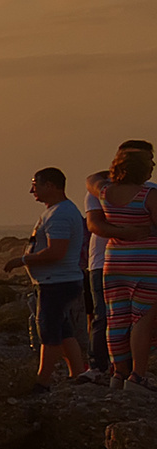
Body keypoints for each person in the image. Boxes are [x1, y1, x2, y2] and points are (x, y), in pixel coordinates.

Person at [86, 143, 157, 392]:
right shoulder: (149, 195)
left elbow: (91, 178)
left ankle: (118, 373)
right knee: (142, 319)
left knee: (116, 319)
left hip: (114, 261)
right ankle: (137, 376)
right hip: (147, 263)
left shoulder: (105, 192)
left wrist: (115, 169)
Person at [21, 168, 90, 386]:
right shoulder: (56, 211)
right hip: (55, 281)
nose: (32, 190)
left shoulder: (60, 213)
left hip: (57, 282)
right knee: (63, 329)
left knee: (49, 332)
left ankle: (42, 380)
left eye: (35, 184)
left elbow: (56, 252)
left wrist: (23, 260)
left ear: (50, 185)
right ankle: (78, 373)